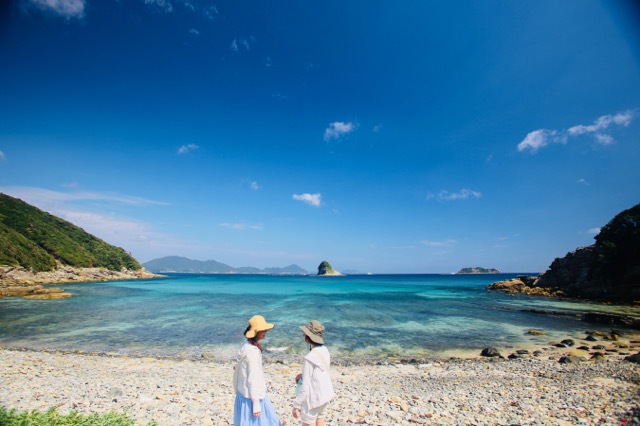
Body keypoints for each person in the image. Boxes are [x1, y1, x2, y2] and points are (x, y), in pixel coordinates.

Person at [233, 315, 281, 425]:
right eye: (262, 330)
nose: (266, 331)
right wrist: (256, 403)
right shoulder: (253, 353)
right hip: (252, 396)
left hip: (243, 393)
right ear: (256, 332)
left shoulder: (246, 346)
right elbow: (252, 379)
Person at [292, 320, 335, 426]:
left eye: (305, 333)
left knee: (307, 423)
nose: (303, 335)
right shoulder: (325, 350)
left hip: (313, 399)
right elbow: (321, 370)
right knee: (320, 420)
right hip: (325, 394)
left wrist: (296, 405)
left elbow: (305, 386)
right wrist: (303, 375)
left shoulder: (309, 358)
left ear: (309, 336)